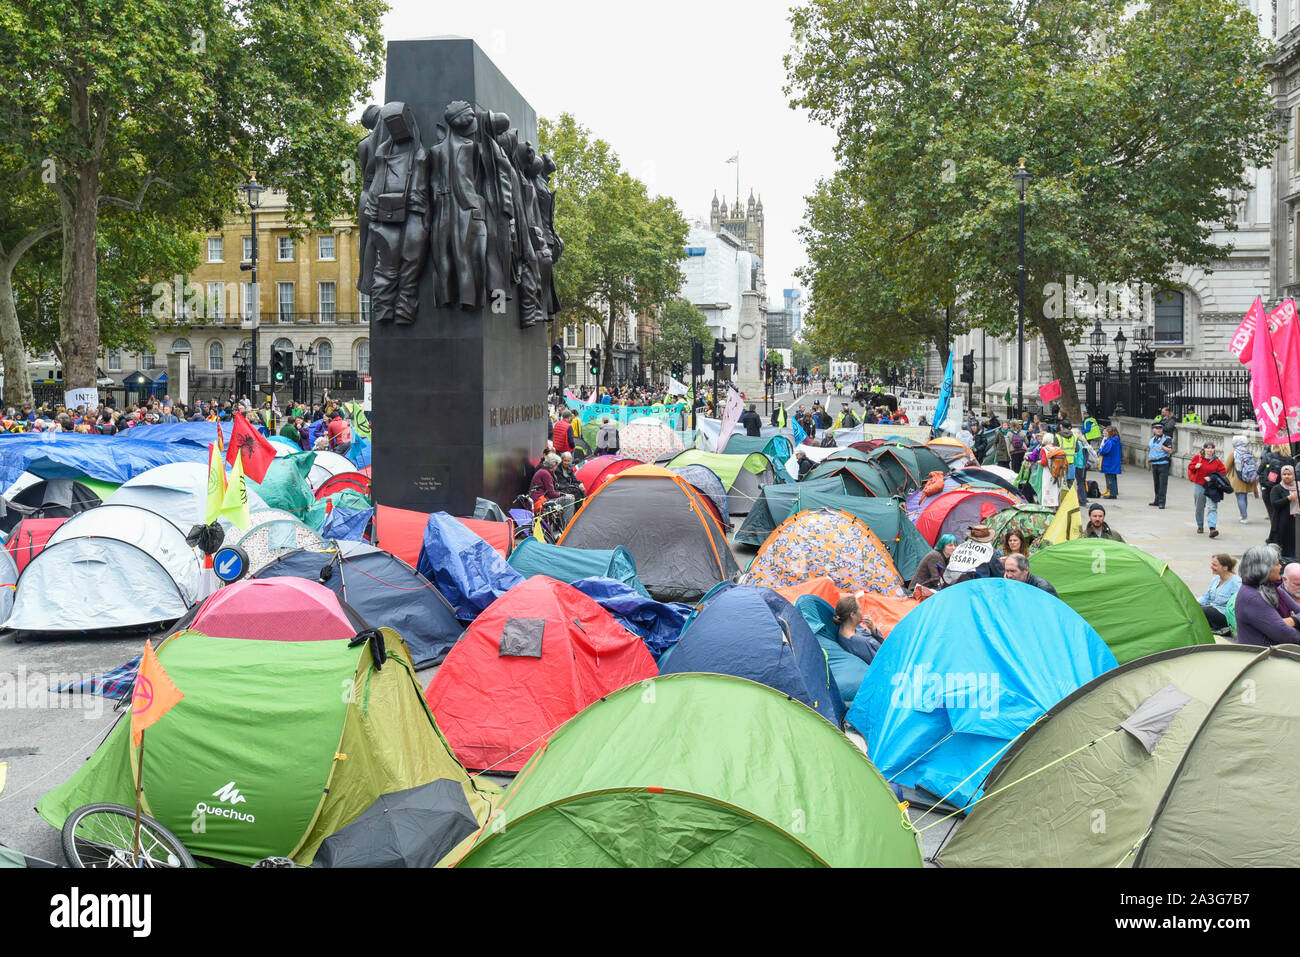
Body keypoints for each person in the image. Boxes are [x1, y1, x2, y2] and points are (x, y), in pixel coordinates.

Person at [1234, 545, 1299, 647]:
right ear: (1264, 569)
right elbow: (1283, 633)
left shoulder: (1272, 587)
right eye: (1277, 564)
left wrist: (1293, 620)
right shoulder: (1252, 597)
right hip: (1262, 656)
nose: (1281, 567)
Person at [1187, 441, 1227, 538]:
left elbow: (1223, 472)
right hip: (1199, 485)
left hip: (1212, 487)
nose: (1210, 450)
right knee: (1199, 507)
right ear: (1204, 449)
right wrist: (1195, 466)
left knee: (1212, 507)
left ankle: (1212, 528)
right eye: (1208, 448)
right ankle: (1200, 525)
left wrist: (1212, 478)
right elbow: (1190, 467)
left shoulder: (1217, 461)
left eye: (1212, 448)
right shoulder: (1198, 458)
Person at [831, 594, 884, 666]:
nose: (862, 612)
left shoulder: (846, 628)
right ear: (852, 614)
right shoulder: (859, 642)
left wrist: (873, 629)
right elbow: (879, 662)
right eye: (860, 609)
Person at [529, 452, 576, 529]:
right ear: (553, 465)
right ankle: (567, 528)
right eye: (557, 465)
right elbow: (552, 494)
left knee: (566, 499)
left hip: (540, 499)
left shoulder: (543, 471)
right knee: (569, 499)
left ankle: (561, 526)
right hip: (540, 501)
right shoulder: (546, 474)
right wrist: (564, 495)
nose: (557, 467)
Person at [1198, 553, 1240, 632]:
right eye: (1212, 564)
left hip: (1226, 616)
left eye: (1215, 565)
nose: (1211, 567)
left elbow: (1237, 607)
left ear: (1225, 568)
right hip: (1213, 610)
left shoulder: (1236, 583)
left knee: (1203, 611)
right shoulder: (1216, 579)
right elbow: (1206, 598)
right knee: (1195, 609)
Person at [1223, 435, 1259, 526]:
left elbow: (1226, 467)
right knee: (1244, 497)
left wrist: (1222, 476)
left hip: (1238, 479)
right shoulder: (1250, 452)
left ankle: (1244, 517)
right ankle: (1243, 514)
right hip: (1249, 478)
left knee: (1240, 497)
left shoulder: (1234, 453)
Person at [1269, 464, 1300, 559]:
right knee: (1284, 545)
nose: (1286, 476)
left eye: (1289, 474)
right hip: (1282, 521)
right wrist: (1289, 498)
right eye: (1284, 474)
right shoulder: (1277, 488)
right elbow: (1275, 504)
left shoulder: (1298, 487)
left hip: (1297, 520)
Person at [1147, 422, 1173, 508]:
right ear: (1153, 429)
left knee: (1162, 484)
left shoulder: (1166, 439)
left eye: (1160, 428)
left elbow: (1170, 451)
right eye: (1157, 428)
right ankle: (1157, 500)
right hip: (1154, 464)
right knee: (1156, 484)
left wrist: (1162, 447)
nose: (1159, 430)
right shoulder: (1152, 438)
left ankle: (1162, 502)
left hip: (1163, 464)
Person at [1098, 425, 1122, 499]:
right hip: (1114, 461)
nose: (1105, 433)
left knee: (1110, 479)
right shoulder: (1117, 440)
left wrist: (1100, 451)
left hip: (1109, 462)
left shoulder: (1110, 441)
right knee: (1113, 478)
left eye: (1107, 431)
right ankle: (1114, 492)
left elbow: (1105, 451)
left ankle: (1112, 494)